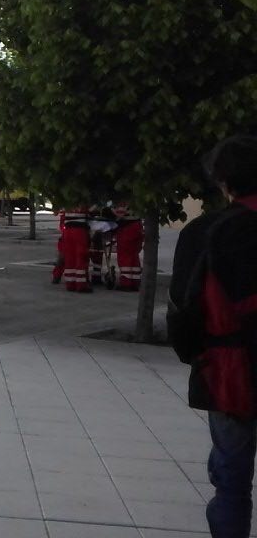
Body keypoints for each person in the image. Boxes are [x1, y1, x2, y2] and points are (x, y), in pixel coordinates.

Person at [170, 136, 257, 538]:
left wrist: (196, 356)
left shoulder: (205, 232)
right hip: (231, 364)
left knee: (232, 479)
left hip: (231, 372)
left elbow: (183, 310)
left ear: (223, 182)